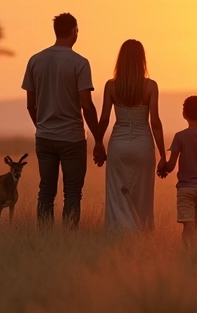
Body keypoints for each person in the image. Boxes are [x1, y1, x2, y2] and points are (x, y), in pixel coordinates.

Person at [22, 13, 103, 228]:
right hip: (72, 138)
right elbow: (86, 105)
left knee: (46, 191)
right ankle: (69, 236)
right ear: (74, 31)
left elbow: (30, 105)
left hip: (44, 136)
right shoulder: (80, 63)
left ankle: (44, 237)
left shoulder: (35, 60)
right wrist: (98, 139)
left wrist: (42, 126)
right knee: (73, 192)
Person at [93, 39, 164, 231]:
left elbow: (104, 119)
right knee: (142, 194)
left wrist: (98, 143)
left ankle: (118, 232)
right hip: (143, 146)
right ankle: (141, 232)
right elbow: (155, 123)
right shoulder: (151, 86)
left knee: (116, 194)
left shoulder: (111, 86)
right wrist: (163, 156)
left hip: (118, 145)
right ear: (142, 60)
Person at [158, 96, 197, 246]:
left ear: (184, 114)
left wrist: (162, 166)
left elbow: (171, 166)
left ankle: (187, 252)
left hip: (185, 188)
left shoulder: (179, 137)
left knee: (188, 226)